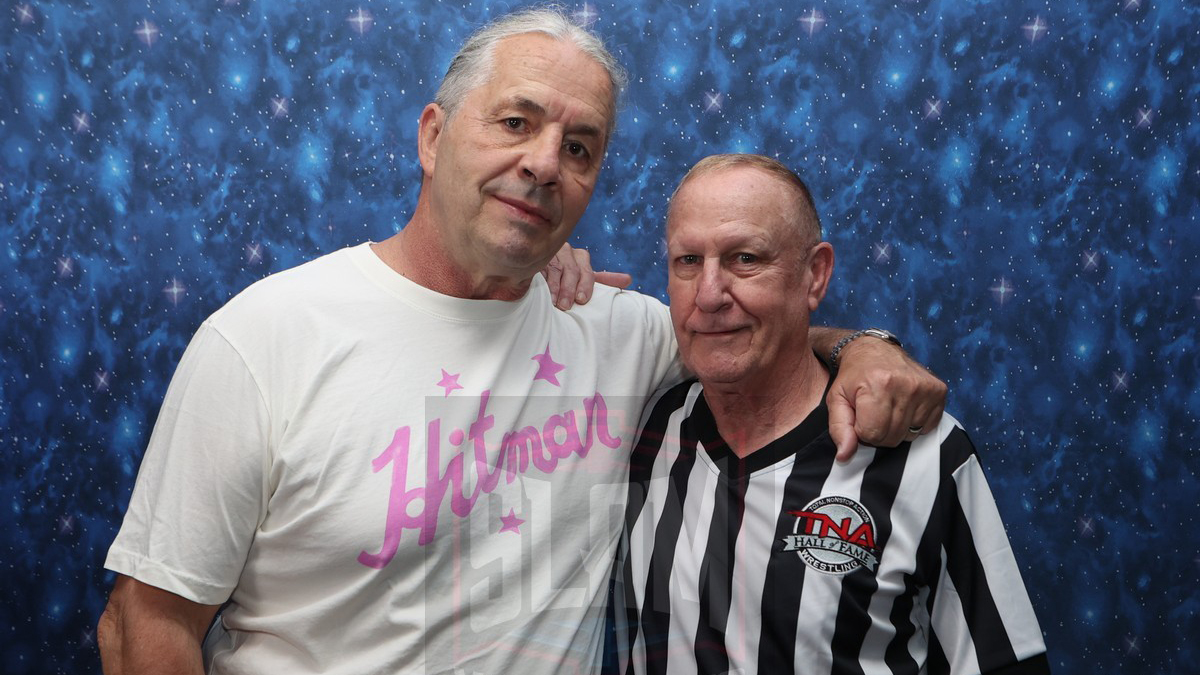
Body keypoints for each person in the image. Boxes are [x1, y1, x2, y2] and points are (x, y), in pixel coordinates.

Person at [97, 10, 946, 675]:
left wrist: (867, 346)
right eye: (515, 122)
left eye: (579, 147)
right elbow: (145, 625)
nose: (545, 163)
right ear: (433, 137)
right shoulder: (266, 337)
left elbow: (752, 335)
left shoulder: (620, 332)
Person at [613, 154, 1048, 674]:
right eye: (687, 260)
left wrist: (866, 347)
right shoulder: (639, 422)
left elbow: (1006, 663)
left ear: (814, 275)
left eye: (745, 258)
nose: (708, 295)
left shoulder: (922, 452)